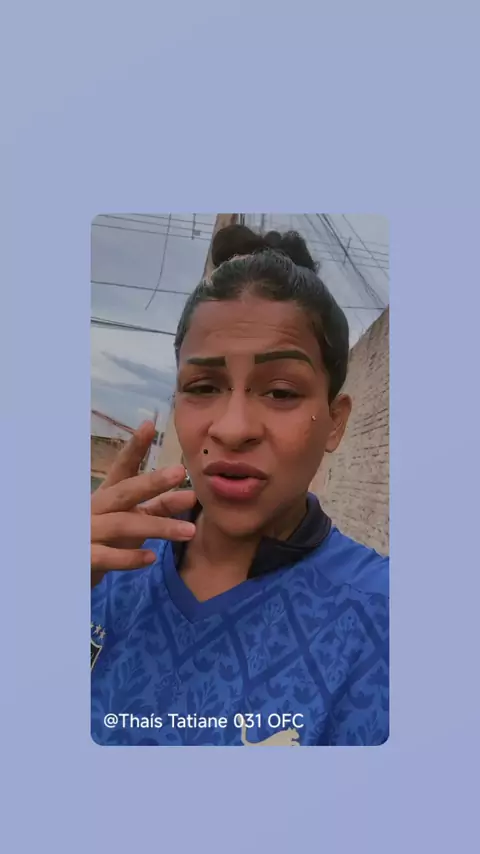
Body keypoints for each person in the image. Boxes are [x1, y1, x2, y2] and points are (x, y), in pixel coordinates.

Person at [91, 224, 389, 746]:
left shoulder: (387, 623)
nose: (232, 429)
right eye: (203, 386)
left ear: (335, 421)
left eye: (280, 392)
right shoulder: (101, 563)